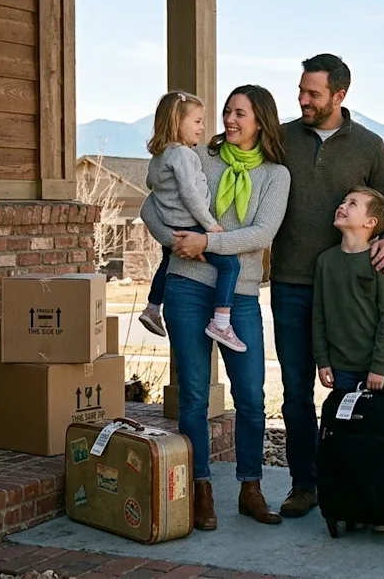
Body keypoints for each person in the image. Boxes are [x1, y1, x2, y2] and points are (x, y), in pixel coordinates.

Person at [139, 84, 291, 531]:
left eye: (240, 114)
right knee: (193, 396)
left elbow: (261, 234)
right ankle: (198, 490)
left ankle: (250, 488)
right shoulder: (198, 157)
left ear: (260, 120)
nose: (229, 120)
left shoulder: (274, 176)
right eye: (226, 111)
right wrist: (179, 244)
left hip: (239, 295)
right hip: (186, 289)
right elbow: (150, 209)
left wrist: (207, 242)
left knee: (251, 397)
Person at [271, 53, 384, 518]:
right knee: (294, 392)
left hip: (347, 289)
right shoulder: (281, 137)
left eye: (313, 94)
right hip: (289, 284)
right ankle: (304, 484)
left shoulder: (368, 145)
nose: (303, 100)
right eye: (301, 91)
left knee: (348, 390)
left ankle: (349, 482)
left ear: (339, 96)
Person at [139, 90, 246, 352]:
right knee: (230, 266)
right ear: (178, 122)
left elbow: (150, 183)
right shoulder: (184, 155)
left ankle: (153, 307)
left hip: (170, 223)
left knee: (167, 262)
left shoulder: (159, 156)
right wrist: (210, 226)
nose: (202, 128)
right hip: (190, 224)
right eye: (197, 121)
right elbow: (190, 194)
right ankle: (221, 322)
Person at [313, 187, 384, 393]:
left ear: (370, 222)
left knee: (378, 425)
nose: (342, 206)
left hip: (378, 369)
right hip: (340, 369)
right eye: (343, 201)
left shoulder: (380, 260)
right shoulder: (325, 262)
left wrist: (379, 367)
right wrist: (322, 360)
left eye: (352, 204)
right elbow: (318, 316)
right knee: (344, 425)